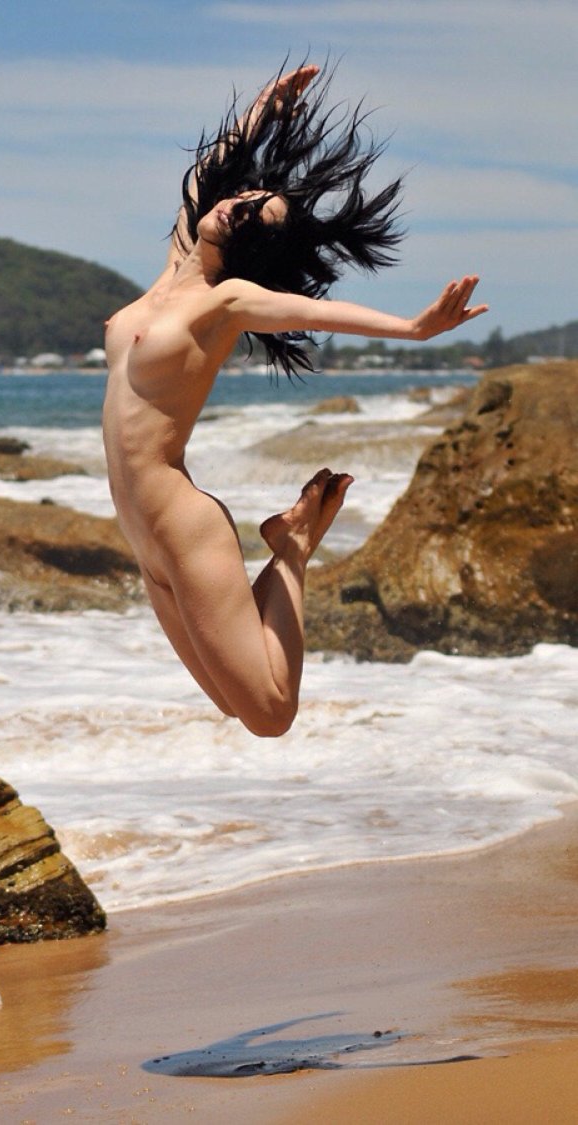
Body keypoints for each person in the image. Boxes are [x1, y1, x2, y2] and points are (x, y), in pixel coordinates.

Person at [102, 62, 487, 737]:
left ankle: (293, 548)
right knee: (231, 700)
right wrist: (261, 112)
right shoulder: (176, 264)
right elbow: (205, 173)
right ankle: (288, 544)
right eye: (246, 197)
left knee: (271, 713)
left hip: (182, 525)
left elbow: (316, 309)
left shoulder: (224, 301)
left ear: (250, 243)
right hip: (143, 537)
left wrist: (413, 329)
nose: (238, 203)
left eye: (252, 214)